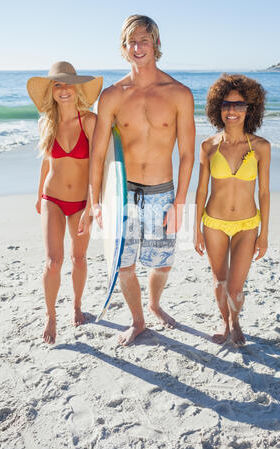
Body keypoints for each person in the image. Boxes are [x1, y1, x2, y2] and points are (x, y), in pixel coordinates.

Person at [80, 15, 195, 346]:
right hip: (123, 194)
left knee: (162, 263)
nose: (137, 47)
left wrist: (179, 204)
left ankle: (155, 304)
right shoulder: (113, 96)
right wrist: (97, 201)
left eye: (144, 40)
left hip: (163, 192)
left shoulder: (179, 94)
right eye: (131, 41)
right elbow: (98, 155)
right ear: (123, 48)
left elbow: (187, 154)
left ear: (156, 45)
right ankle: (138, 320)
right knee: (124, 264)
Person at [27, 61, 103, 344]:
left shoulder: (90, 121)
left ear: (77, 87)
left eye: (68, 83)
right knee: (53, 261)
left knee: (79, 258)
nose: (63, 89)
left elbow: (97, 166)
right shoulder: (46, 122)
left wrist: (93, 205)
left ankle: (77, 306)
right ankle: (50, 315)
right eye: (57, 84)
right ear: (52, 91)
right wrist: (38, 197)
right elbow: (46, 165)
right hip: (53, 199)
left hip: (82, 201)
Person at [194, 74, 270, 347]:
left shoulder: (261, 147)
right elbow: (201, 191)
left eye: (239, 105)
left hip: (247, 225)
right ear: (218, 108)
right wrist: (196, 231)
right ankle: (224, 322)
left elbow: (264, 192)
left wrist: (264, 235)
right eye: (226, 104)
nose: (232, 110)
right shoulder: (208, 147)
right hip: (213, 223)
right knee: (219, 280)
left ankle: (236, 321)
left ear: (250, 109)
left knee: (235, 287)